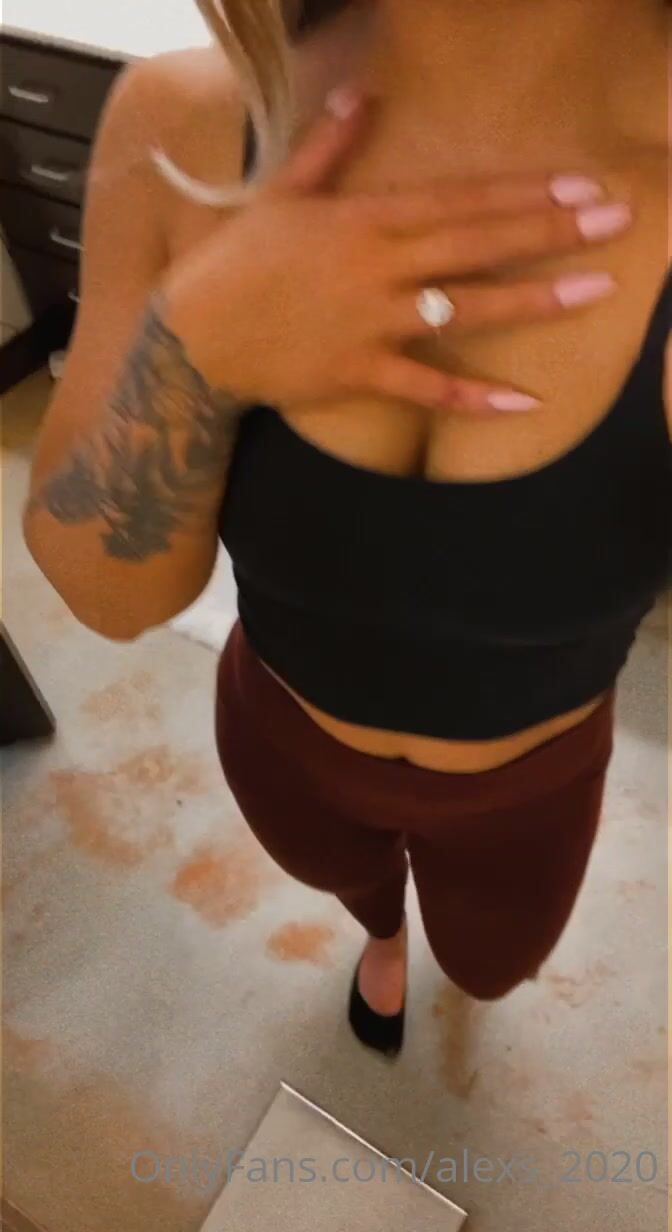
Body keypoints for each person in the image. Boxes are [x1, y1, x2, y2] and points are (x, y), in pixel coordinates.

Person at [24, 0, 670, 1058]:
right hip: (283, 740)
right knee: (349, 882)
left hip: (529, 795)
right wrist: (193, 355)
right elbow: (104, 590)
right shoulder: (188, 119)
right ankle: (380, 928)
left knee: (490, 964)